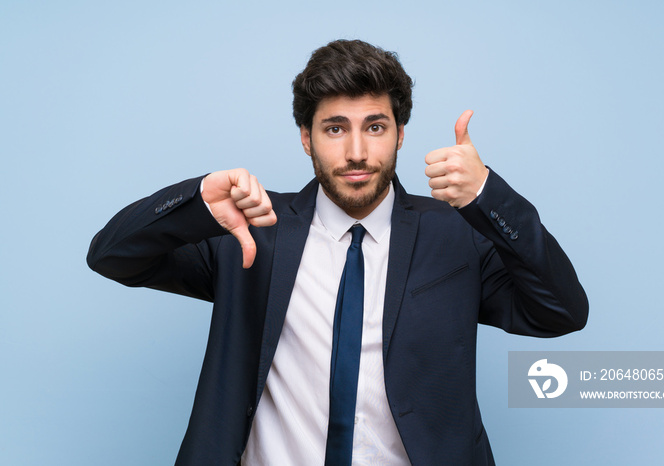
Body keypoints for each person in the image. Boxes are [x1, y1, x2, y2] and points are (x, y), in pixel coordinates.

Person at [87, 39, 588, 465]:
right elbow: (113, 256)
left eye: (375, 126)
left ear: (400, 134)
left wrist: (488, 196)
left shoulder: (454, 235)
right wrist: (196, 201)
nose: (355, 152)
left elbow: (560, 311)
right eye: (334, 129)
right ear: (306, 138)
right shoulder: (254, 229)